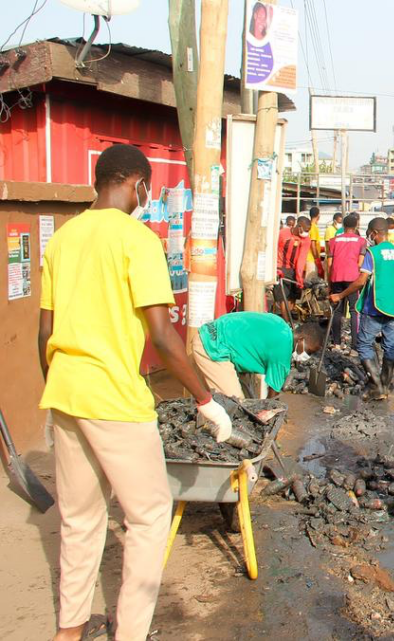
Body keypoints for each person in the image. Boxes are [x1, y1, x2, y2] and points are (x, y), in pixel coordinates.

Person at [37, 144, 233, 641]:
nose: (147, 195)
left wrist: (60, 385)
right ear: (137, 183)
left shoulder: (63, 239)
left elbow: (45, 333)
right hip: (116, 400)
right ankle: (130, 633)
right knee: (148, 518)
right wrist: (205, 400)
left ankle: (70, 631)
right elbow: (163, 336)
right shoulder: (137, 240)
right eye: (148, 187)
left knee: (80, 521)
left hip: (65, 391)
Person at [329, 217, 394, 400]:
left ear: (374, 233)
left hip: (374, 308)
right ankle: (385, 382)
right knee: (389, 345)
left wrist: (340, 295)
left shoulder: (373, 253)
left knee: (364, 345)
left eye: (370, 233)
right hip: (393, 307)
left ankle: (376, 385)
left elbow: (361, 281)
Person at [190, 313, 321, 398]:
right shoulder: (283, 351)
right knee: (235, 404)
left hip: (212, 332)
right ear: (301, 340)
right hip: (212, 346)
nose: (307, 356)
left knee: (249, 401)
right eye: (308, 351)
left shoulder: (281, 324)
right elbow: (273, 394)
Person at [325, 213, 368, 346]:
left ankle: (336, 342)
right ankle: (355, 343)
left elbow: (329, 263)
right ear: (356, 226)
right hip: (353, 278)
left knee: (337, 310)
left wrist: (329, 282)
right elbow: (360, 263)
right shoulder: (361, 241)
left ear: (343, 226)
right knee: (354, 310)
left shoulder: (333, 241)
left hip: (336, 276)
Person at [307, 206, 323, 279]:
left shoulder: (309, 225)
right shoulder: (313, 227)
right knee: (311, 282)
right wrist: (317, 259)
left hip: (308, 258)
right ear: (318, 215)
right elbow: (312, 244)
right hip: (311, 259)